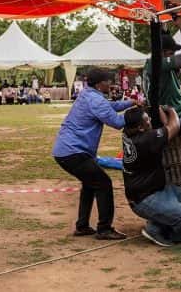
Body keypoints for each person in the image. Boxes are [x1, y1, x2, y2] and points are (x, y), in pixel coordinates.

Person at [52, 69, 134, 240]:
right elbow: (117, 122)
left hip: (67, 150)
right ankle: (104, 229)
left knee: (90, 184)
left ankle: (82, 226)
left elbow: (110, 107)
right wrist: (137, 115)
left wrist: (130, 103)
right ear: (99, 84)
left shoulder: (89, 95)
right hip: (74, 152)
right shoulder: (96, 100)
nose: (110, 84)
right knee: (103, 183)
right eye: (108, 81)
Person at [122, 104, 181, 247]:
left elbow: (164, 126)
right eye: (147, 120)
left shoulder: (127, 133)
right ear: (140, 127)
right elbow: (174, 126)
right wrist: (170, 110)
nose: (150, 120)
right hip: (144, 198)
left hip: (156, 189)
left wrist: (155, 107)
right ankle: (178, 238)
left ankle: (155, 227)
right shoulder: (146, 140)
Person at [141, 14, 181, 116]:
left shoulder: (153, 63)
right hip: (173, 115)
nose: (173, 56)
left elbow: (161, 39)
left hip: (171, 109)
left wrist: (163, 26)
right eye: (171, 53)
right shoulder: (159, 63)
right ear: (162, 52)